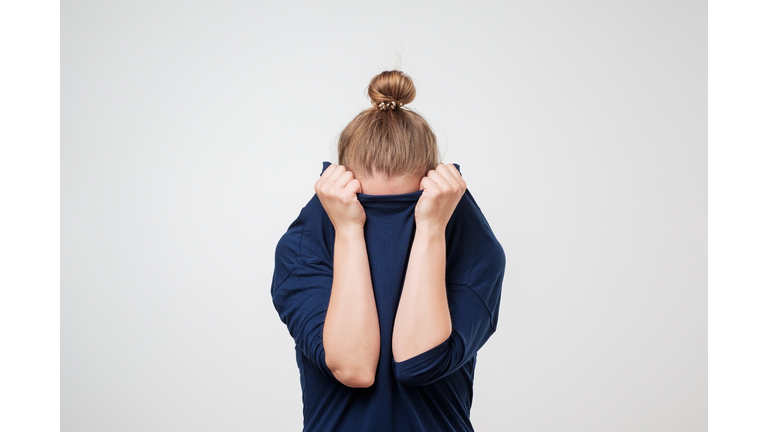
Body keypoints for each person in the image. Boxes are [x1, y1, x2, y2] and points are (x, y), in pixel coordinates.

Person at [271, 70, 506, 432]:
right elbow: (353, 367)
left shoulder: (474, 250)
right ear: (338, 193)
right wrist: (349, 230)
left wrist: (429, 228)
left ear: (435, 193)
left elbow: (419, 362)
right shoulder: (304, 248)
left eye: (405, 210)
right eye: (368, 208)